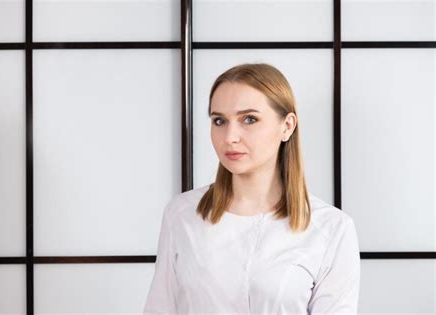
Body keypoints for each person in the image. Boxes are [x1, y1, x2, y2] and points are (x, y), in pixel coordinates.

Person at [143, 63, 361, 314]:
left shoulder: (332, 229)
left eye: (249, 119)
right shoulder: (182, 214)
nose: (230, 137)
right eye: (219, 120)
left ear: (287, 126)